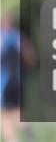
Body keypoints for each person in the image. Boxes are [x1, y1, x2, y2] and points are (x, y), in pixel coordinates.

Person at [1, 11, 35, 142]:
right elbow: (31, 59)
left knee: (4, 116)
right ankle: (29, 133)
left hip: (3, 83)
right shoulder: (18, 36)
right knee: (17, 111)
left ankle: (14, 140)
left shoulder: (2, 37)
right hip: (19, 81)